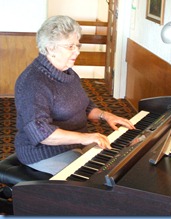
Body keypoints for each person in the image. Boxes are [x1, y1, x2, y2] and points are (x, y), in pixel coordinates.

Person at [14, 15, 135, 175]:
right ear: (50, 48)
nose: (77, 51)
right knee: (96, 178)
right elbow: (41, 133)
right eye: (70, 46)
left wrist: (106, 116)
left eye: (78, 45)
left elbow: (84, 106)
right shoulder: (34, 82)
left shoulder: (68, 72)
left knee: (118, 159)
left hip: (75, 143)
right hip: (43, 151)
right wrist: (85, 138)